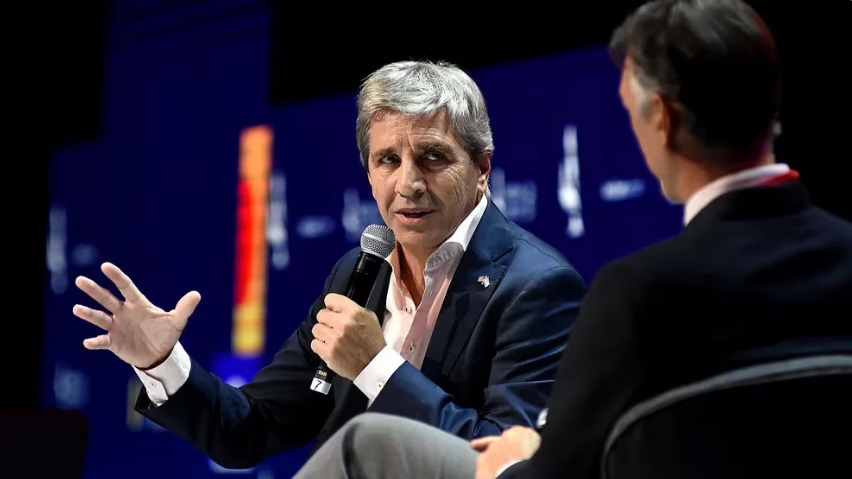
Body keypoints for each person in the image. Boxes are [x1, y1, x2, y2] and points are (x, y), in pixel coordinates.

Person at [288, 1, 852, 478]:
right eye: (387, 160)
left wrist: (516, 456)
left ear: (662, 119)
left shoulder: (637, 293)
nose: (408, 181)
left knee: (365, 448)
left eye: (631, 112)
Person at [71, 60, 586, 469]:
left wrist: (375, 366)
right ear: (369, 173)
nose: (408, 183)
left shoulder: (536, 286)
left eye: (433, 157)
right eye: (388, 160)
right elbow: (251, 429)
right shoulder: (359, 273)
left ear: (482, 167)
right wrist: (162, 362)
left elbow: (507, 464)